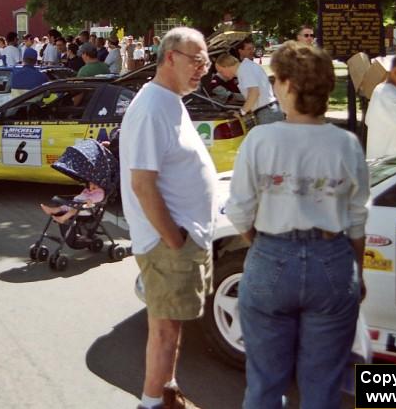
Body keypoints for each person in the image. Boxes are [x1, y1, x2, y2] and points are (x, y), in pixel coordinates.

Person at [225, 41, 369, 409]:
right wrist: (357, 270)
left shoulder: (261, 139)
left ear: (289, 85)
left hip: (272, 254)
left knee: (264, 384)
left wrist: (260, 240)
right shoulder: (346, 144)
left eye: (276, 78)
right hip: (332, 260)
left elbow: (239, 209)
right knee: (322, 385)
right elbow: (356, 218)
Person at [120, 27, 216, 409]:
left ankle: (167, 391)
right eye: (197, 60)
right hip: (167, 244)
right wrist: (174, 239)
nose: (203, 69)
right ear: (170, 57)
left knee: (172, 328)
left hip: (178, 240)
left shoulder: (169, 100)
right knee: (164, 330)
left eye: (205, 61)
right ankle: (152, 402)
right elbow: (143, 184)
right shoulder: (151, 107)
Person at [215, 52, 283, 124]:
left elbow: (254, 92)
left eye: (221, 71)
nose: (222, 75)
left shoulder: (245, 70)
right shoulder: (246, 67)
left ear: (226, 66)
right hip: (267, 111)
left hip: (267, 113)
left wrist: (242, 112)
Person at [39, 181, 105, 224]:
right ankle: (52, 210)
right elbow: (81, 196)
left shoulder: (99, 193)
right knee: (63, 207)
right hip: (77, 205)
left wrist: (88, 200)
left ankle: (62, 218)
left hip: (88, 210)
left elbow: (92, 200)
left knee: (74, 209)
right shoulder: (87, 190)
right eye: (91, 184)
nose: (93, 186)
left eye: (96, 185)